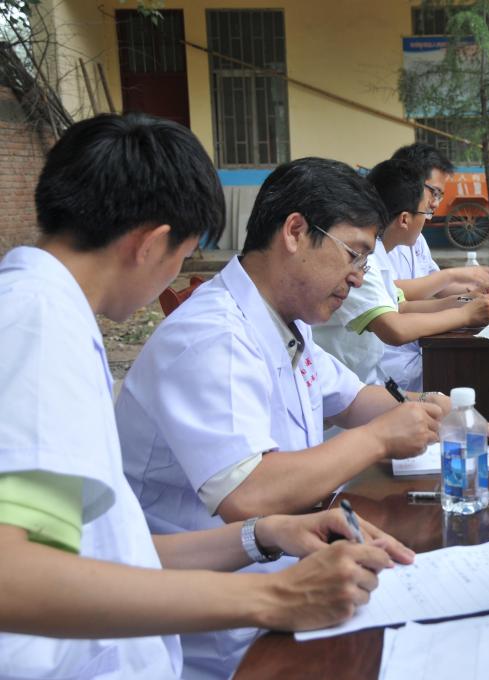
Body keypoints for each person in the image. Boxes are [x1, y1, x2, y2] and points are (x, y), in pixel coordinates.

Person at [0, 114, 411, 679]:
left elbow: (107, 550)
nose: (179, 274)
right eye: (185, 253)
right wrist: (274, 597)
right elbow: (14, 576)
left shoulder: (52, 316)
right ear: (151, 244)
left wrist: (263, 536)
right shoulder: (36, 322)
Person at [115, 157, 431, 679]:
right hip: (214, 632)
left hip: (281, 584)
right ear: (295, 231)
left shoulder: (285, 321)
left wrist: (430, 412)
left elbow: (353, 398)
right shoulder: (213, 336)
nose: (358, 277)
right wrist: (379, 438)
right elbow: (250, 493)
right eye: (354, 254)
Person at [313, 158, 489, 392]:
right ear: (404, 219)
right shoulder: (360, 260)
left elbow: (403, 306)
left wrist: (467, 300)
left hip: (366, 381)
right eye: (426, 211)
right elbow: (396, 329)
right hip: (356, 384)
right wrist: (465, 315)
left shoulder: (380, 255)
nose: (429, 215)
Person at [388, 143, 489, 299]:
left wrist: (483, 290)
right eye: (435, 192)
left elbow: (437, 286)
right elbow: (388, 291)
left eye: (439, 195)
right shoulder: (376, 240)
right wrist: (451, 276)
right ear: (409, 183)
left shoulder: (416, 237)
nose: (435, 204)